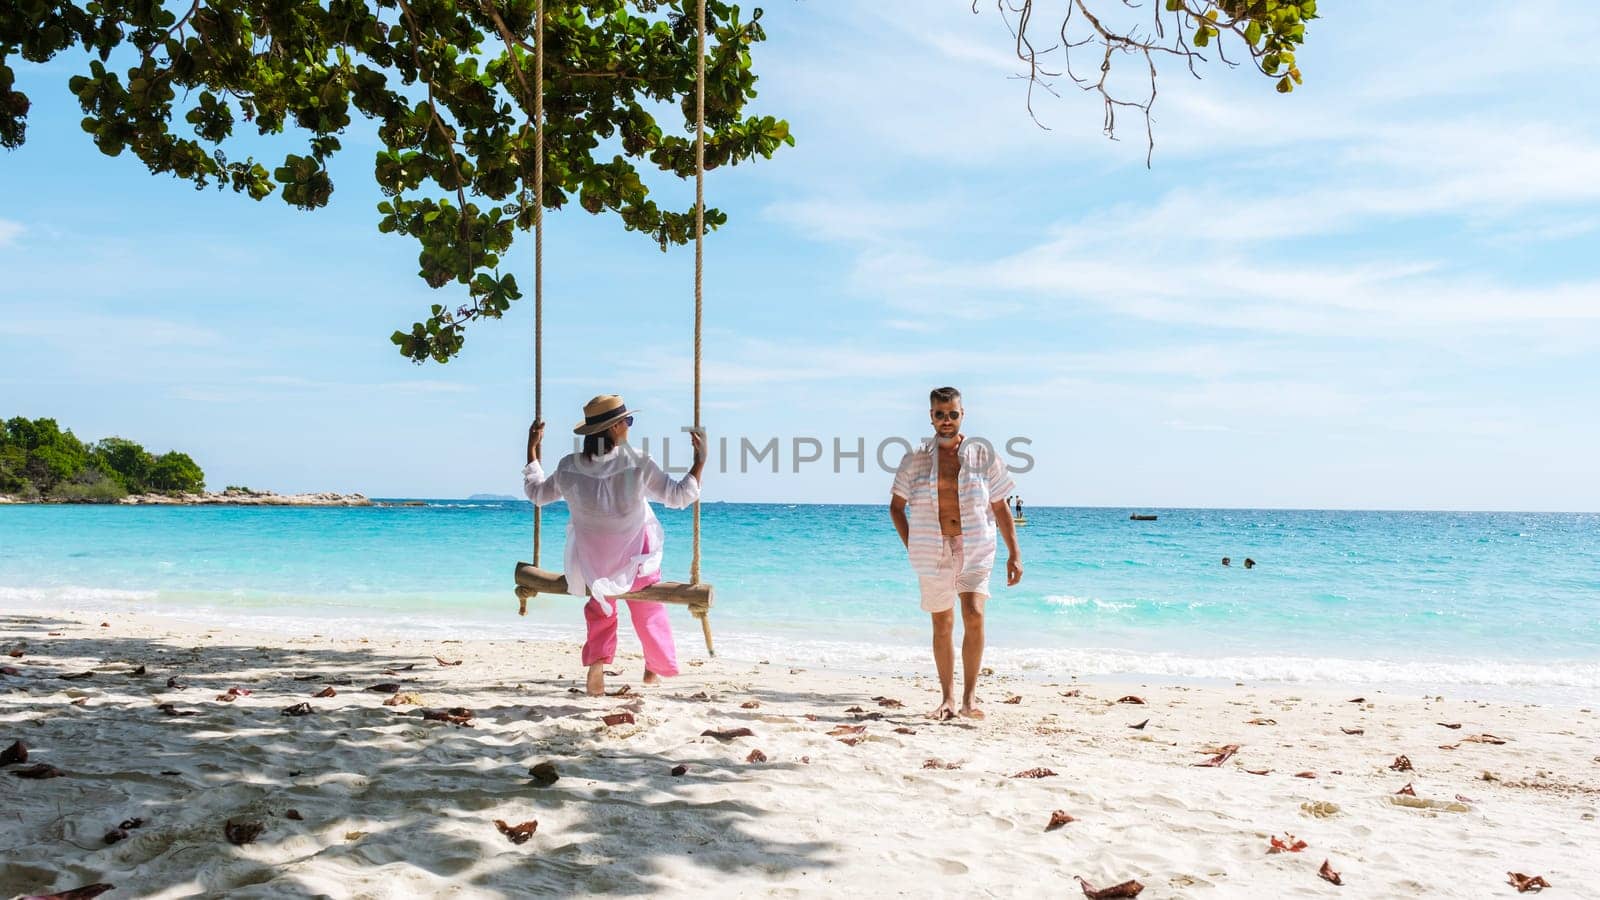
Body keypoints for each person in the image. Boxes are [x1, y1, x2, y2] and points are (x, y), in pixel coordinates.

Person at [523, 394, 705, 697]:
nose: (629, 427)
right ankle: (654, 666)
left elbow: (537, 494)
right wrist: (700, 462)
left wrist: (531, 450)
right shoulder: (637, 462)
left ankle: (596, 662)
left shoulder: (569, 466)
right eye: (627, 422)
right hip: (635, 563)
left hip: (591, 566)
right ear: (615, 428)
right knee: (648, 606)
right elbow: (679, 497)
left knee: (600, 606)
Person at [889, 386, 1022, 721]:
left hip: (975, 543)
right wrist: (913, 543)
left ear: (963, 415)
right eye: (939, 414)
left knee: (974, 612)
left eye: (952, 414)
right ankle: (947, 698)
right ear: (930, 416)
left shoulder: (983, 455)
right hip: (932, 548)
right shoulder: (915, 459)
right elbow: (896, 507)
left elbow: (1000, 506)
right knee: (942, 622)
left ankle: (969, 699)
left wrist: (1014, 553)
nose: (946, 421)